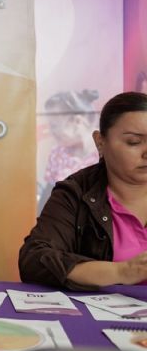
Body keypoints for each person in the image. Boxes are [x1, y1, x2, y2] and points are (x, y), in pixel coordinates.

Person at [20, 92, 147, 289]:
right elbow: (34, 259)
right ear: (100, 142)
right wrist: (123, 271)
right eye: (134, 142)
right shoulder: (76, 193)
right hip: (105, 316)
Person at [38, 90, 100, 213]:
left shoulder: (108, 151)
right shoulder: (57, 153)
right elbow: (47, 196)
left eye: (54, 125)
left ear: (77, 121)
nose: (51, 131)